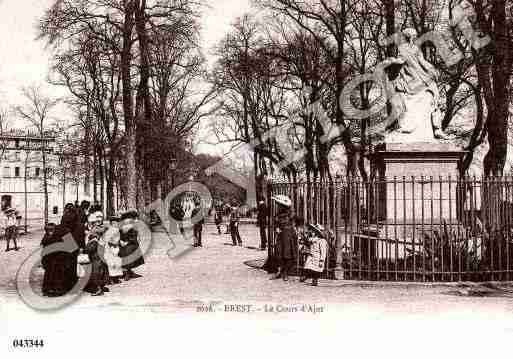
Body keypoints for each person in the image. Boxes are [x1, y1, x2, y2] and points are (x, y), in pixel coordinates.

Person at [269, 195, 297, 281]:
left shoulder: (290, 214)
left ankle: (285, 272)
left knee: (288, 254)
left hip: (288, 235)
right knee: (279, 253)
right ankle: (280, 271)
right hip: (281, 235)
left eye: (279, 204)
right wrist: (277, 227)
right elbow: (276, 223)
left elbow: (293, 223)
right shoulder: (279, 214)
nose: (277, 205)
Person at [83, 212, 109, 296]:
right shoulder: (97, 230)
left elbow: (90, 247)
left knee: (96, 272)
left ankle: (98, 289)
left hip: (96, 255)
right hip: (100, 253)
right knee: (102, 270)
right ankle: (101, 286)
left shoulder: (95, 233)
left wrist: (85, 249)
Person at [40, 223, 68, 297]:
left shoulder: (56, 237)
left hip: (56, 259)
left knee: (55, 275)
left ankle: (55, 290)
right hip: (50, 259)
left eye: (52, 230)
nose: (50, 232)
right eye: (49, 230)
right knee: (50, 275)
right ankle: (48, 290)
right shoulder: (46, 237)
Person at [119, 210, 145, 281]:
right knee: (119, 250)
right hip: (122, 243)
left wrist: (127, 242)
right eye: (125, 220)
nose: (126, 221)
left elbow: (133, 237)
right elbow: (118, 235)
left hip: (131, 243)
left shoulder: (133, 227)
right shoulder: (121, 227)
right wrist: (120, 241)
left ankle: (128, 271)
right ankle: (127, 271)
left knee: (128, 250)